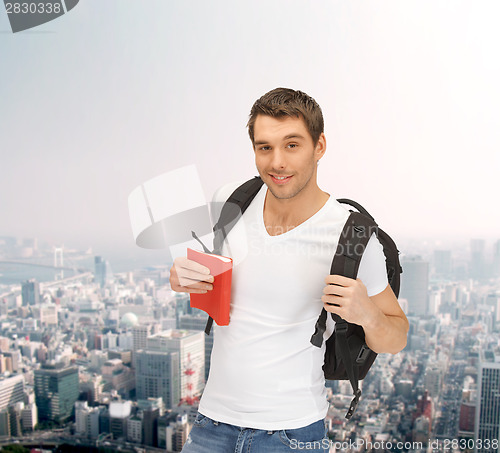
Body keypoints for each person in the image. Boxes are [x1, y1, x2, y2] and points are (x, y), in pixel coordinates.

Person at [170, 88, 409, 452]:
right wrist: (181, 277)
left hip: (291, 436)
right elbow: (215, 279)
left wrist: (368, 314)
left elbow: (397, 336)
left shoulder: (352, 238)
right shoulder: (232, 200)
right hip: (210, 426)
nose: (276, 162)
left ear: (320, 146)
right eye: (265, 147)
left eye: (292, 145)